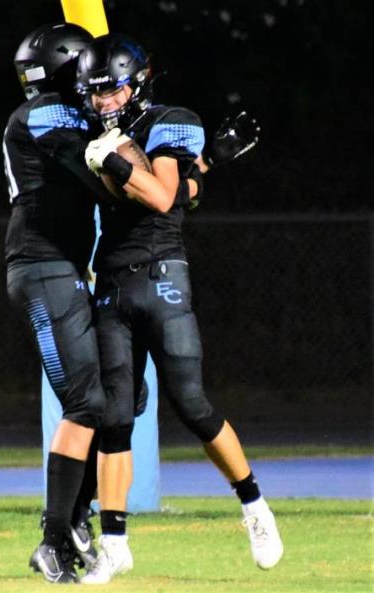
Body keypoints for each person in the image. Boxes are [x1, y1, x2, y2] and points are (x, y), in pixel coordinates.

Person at [73, 34, 283, 585]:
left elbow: (166, 196)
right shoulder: (93, 134)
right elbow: (186, 187)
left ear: (138, 82)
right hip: (113, 279)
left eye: (111, 90)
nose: (103, 103)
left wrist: (119, 164)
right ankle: (114, 543)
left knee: (191, 404)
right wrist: (207, 164)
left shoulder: (171, 119)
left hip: (163, 275)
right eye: (95, 95)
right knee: (114, 416)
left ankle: (254, 505)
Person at [3, 23, 118, 584]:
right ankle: (57, 536)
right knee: (85, 402)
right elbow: (94, 172)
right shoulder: (45, 113)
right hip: (42, 265)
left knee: (123, 396)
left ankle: (73, 518)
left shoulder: (56, 109)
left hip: (65, 268)